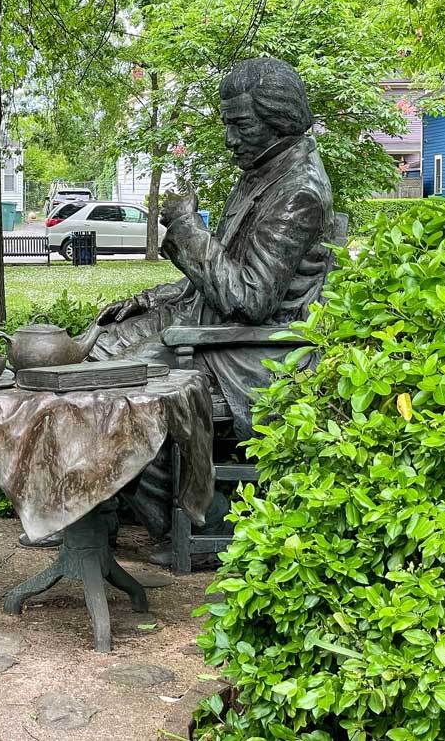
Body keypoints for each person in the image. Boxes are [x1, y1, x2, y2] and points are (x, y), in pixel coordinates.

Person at [90, 55, 334, 539]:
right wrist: (148, 298)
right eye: (228, 125)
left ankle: (199, 518)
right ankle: (97, 505)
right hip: (209, 322)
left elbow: (249, 298)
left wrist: (185, 226)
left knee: (116, 387)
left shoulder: (298, 191)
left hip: (245, 347)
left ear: (278, 119)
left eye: (240, 126)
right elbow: (222, 268)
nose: (230, 140)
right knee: (96, 341)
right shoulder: (263, 171)